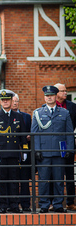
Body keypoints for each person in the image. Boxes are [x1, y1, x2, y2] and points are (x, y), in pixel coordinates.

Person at [33, 86, 74, 213]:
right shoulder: (38, 113)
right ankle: (44, 204)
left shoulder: (64, 113)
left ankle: (58, 204)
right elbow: (34, 133)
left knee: (58, 180)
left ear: (56, 97)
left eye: (51, 95)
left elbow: (69, 133)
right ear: (44, 97)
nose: (49, 97)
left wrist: (69, 150)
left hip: (59, 152)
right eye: (47, 95)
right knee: (43, 181)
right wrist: (37, 150)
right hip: (44, 153)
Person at [0, 89, 27, 213]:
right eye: (3, 100)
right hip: (1, 153)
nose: (5, 102)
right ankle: (2, 205)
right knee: (2, 180)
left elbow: (22, 135)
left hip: (14, 153)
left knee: (14, 180)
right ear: (0, 101)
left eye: (7, 100)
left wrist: (25, 150)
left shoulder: (18, 116)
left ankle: (14, 205)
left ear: (11, 101)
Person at [54, 83, 76, 211]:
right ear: (56, 93)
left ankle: (70, 202)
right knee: (54, 174)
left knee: (69, 174)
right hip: (53, 145)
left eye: (66, 90)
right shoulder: (49, 106)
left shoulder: (72, 107)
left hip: (68, 143)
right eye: (62, 91)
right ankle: (54, 202)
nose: (65, 93)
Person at [11, 93, 32, 212]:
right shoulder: (5, 116)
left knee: (24, 179)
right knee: (12, 179)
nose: (15, 103)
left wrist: (29, 137)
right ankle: (12, 204)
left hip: (24, 150)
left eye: (16, 101)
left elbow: (30, 131)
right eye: (13, 101)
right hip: (12, 151)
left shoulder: (26, 116)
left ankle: (25, 204)